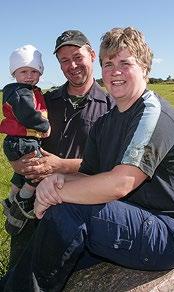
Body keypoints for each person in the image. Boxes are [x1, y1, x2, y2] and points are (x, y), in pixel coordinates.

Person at [2, 26, 174, 291]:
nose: (115, 71)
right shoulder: (105, 122)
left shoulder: (152, 113)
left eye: (125, 62)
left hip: (166, 229)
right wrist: (56, 180)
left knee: (66, 208)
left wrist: (56, 194)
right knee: (48, 246)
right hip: (127, 217)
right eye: (108, 64)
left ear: (145, 67)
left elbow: (120, 183)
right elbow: (89, 174)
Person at [4, 30, 114, 268]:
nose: (72, 65)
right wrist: (17, 163)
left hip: (77, 211)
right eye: (64, 60)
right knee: (19, 271)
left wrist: (61, 166)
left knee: (67, 275)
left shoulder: (111, 107)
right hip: (32, 210)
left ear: (92, 55)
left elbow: (112, 166)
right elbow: (18, 137)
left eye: (77, 56)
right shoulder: (43, 101)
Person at [0, 44, 51, 235]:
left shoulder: (28, 90)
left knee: (22, 173)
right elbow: (27, 115)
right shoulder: (19, 91)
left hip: (21, 140)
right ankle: (23, 200)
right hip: (21, 141)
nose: (29, 75)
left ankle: (11, 199)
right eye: (23, 71)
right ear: (14, 73)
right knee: (37, 172)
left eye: (34, 71)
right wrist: (45, 126)